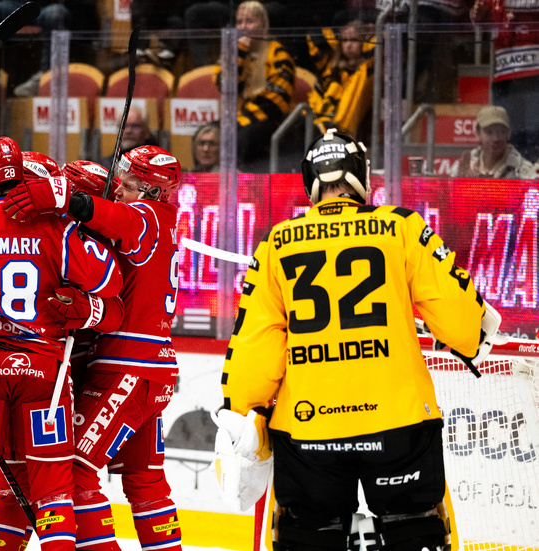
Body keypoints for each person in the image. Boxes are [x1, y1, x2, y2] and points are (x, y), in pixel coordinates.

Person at [216, 129, 501, 551]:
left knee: (307, 536)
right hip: (400, 423)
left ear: (310, 178)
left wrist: (240, 412)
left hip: (308, 430)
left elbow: (255, 343)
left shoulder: (276, 243)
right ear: (361, 174)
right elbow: (461, 321)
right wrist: (475, 333)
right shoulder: (399, 227)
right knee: (415, 530)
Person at [3, 145, 184, 551]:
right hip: (151, 368)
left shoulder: (149, 216)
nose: (118, 189)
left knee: (73, 468)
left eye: (130, 183)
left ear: (153, 191)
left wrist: (74, 201)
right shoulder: (164, 220)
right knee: (145, 479)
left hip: (127, 368)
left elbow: (119, 218)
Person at [0, 138, 124, 551]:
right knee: (54, 491)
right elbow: (111, 283)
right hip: (45, 374)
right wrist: (78, 297)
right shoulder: (55, 224)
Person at [214, 1, 294, 171]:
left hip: (268, 122)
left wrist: (240, 119)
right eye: (239, 22)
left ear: (263, 24)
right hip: (237, 119)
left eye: (249, 21)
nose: (243, 27)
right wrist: (239, 53)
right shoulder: (232, 52)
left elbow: (276, 102)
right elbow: (225, 86)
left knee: (246, 134)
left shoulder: (278, 53)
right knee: (208, 133)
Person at [471, 0, 539, 161]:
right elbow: (479, 23)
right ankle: (514, 181)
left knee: (533, 135)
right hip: (504, 76)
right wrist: (477, 15)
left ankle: (533, 182)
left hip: (534, 76)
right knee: (509, 136)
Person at [305, 19, 375, 137]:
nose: (348, 45)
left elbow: (377, 47)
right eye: (345, 40)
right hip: (320, 122)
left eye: (354, 40)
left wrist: (371, 33)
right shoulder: (332, 66)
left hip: (341, 130)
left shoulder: (367, 70)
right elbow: (312, 33)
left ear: (364, 42)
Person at [456, 105, 537, 179]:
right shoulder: (466, 166)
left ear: (508, 133)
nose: (496, 138)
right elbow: (448, 193)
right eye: (489, 132)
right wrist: (462, 183)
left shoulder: (523, 171)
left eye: (501, 131)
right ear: (478, 135)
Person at [98, 105, 158, 171]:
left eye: (135, 126)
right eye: (124, 126)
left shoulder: (156, 164)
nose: (128, 131)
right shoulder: (105, 165)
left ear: (146, 131)